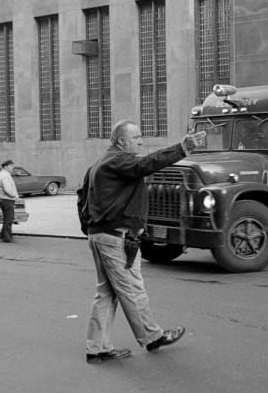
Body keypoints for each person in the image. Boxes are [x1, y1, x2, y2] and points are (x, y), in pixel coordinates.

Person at [77, 120, 204, 363]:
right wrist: (182, 148)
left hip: (103, 235)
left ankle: (97, 348)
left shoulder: (99, 164)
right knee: (132, 289)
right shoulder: (117, 160)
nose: (141, 141)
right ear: (121, 141)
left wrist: (92, 230)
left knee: (106, 293)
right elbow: (145, 164)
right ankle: (152, 337)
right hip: (115, 237)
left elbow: (81, 198)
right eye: (136, 137)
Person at [0, 160, 18, 242]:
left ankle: (4, 236)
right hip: (7, 199)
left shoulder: (2, 174)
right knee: (9, 219)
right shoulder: (5, 176)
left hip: (3, 199)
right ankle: (7, 237)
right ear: (5, 167)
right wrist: (14, 196)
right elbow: (7, 189)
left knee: (7, 219)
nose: (13, 168)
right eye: (11, 166)